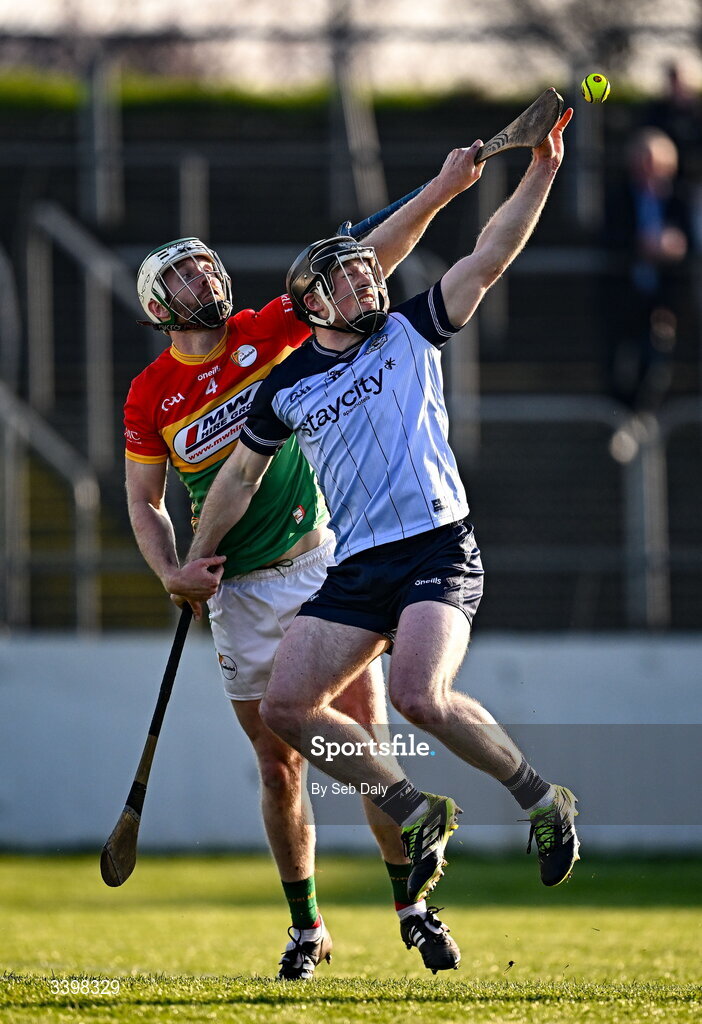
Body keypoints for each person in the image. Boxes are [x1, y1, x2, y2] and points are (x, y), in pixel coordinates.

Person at [181, 106, 580, 914]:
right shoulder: (286, 386)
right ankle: (408, 805)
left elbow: (489, 256)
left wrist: (539, 169)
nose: (371, 277)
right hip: (358, 566)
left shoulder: (411, 328)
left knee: (418, 697)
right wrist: (198, 556)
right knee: (287, 709)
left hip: (438, 549)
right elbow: (235, 481)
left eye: (371, 270)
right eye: (352, 274)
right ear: (315, 302)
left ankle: (542, 798)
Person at [124, 146, 484, 979]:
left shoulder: (265, 332)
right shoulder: (149, 395)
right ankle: (306, 927)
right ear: (156, 304)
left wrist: (440, 188)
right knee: (281, 761)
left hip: (322, 564)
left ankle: (415, 908)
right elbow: (144, 502)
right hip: (237, 592)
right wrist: (171, 571)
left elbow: (368, 264)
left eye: (203, 267)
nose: (201, 281)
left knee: (367, 733)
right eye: (179, 277)